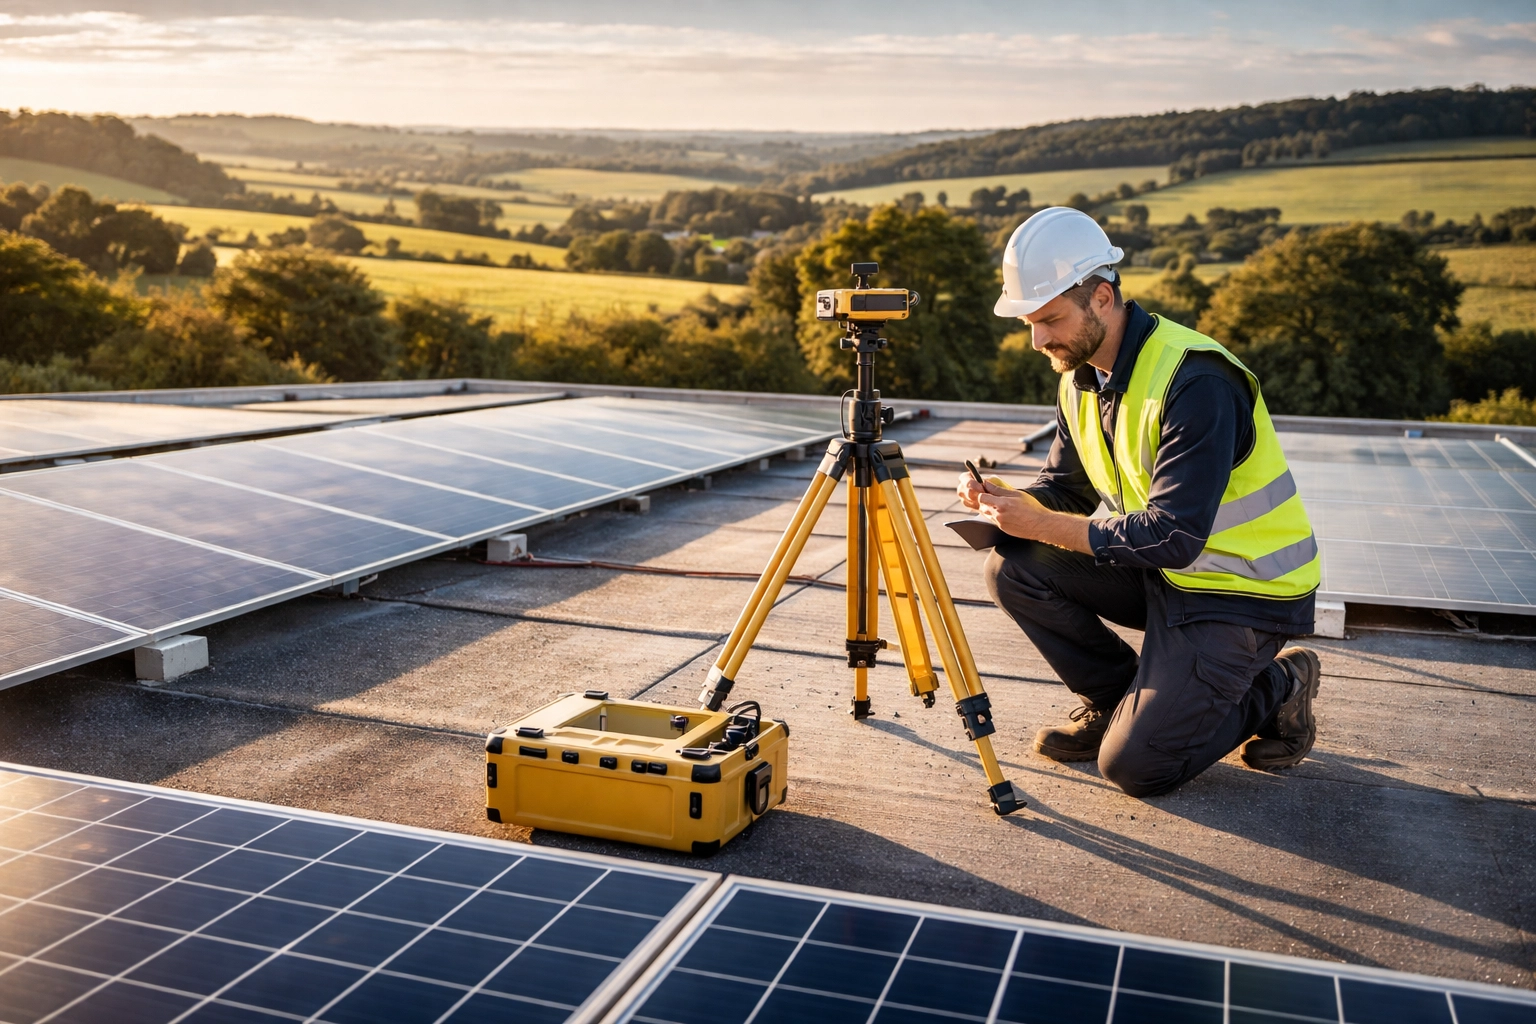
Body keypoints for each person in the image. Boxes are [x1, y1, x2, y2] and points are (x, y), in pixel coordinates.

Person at [958, 207, 1322, 797]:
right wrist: (1009, 500)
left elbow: (1175, 535)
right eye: (1029, 322)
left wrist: (1041, 522)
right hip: (1163, 574)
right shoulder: (1080, 377)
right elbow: (1067, 491)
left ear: (1102, 297)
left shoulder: (1197, 381)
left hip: (1242, 593)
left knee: (1134, 769)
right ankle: (1114, 702)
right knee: (1013, 566)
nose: (1037, 340)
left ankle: (1280, 684)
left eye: (1049, 320)